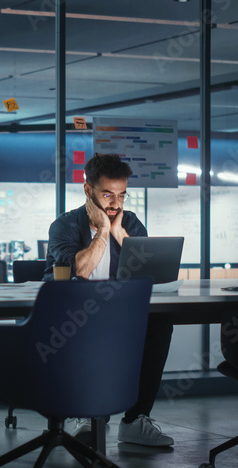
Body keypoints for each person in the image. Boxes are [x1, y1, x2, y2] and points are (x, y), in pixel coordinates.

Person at [44, 153, 174, 447]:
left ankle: (135, 420)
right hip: (70, 313)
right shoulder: (65, 225)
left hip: (116, 314)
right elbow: (80, 269)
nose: (115, 204)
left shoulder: (130, 224)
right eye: (107, 195)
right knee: (84, 329)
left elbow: (147, 274)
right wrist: (103, 230)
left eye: (121, 195)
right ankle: (84, 416)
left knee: (161, 324)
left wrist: (119, 233)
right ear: (88, 190)